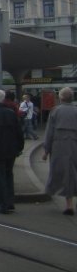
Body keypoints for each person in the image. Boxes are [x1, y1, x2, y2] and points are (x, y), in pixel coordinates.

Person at [41, 87, 77, 216]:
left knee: (58, 171)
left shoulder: (55, 111)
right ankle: (69, 203)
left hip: (58, 146)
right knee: (71, 172)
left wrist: (46, 150)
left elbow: (49, 132)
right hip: (74, 145)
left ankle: (56, 194)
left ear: (61, 97)